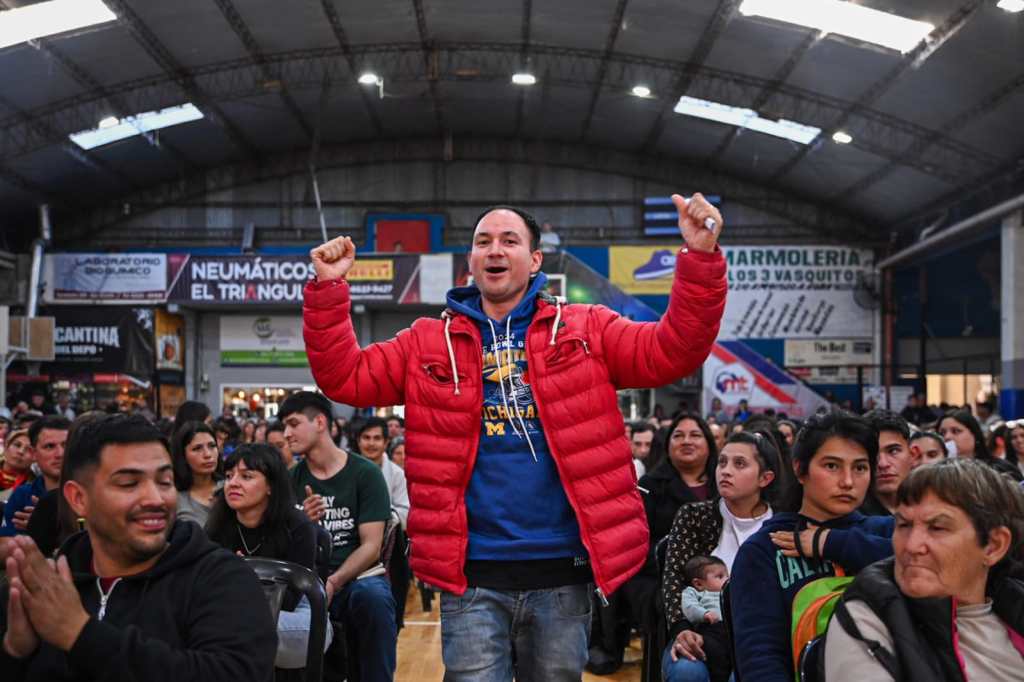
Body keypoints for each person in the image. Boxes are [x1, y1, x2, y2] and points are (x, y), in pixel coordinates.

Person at [303, 194, 726, 680]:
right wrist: (328, 289)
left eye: (509, 240)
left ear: (535, 259)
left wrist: (700, 259)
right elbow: (346, 378)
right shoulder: (425, 342)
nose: (495, 250)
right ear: (471, 261)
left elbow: (674, 350)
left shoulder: (585, 329)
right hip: (471, 573)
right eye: (483, 242)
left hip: (562, 569)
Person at [0, 413, 277, 681]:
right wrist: (16, 651)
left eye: (165, 482)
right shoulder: (47, 587)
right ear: (79, 499)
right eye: (129, 484)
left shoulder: (222, 579)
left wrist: (80, 634)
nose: (155, 499)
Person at [726, 408, 895, 682]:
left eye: (860, 468)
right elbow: (760, 658)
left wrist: (831, 543)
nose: (848, 481)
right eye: (832, 466)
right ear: (800, 469)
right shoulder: (766, 549)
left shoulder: (887, 532)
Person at [824, 458, 1024, 680]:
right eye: (903, 525)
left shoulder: (1014, 605)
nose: (911, 546)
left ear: (994, 546)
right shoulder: (869, 615)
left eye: (937, 528)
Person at [282, 392, 396, 682]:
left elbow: (371, 546)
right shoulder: (290, 480)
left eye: (293, 424)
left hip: (356, 577)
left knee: (373, 599)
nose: (286, 434)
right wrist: (304, 524)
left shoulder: (366, 474)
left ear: (320, 422)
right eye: (284, 426)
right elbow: (282, 546)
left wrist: (334, 581)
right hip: (305, 578)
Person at [661, 430, 779, 682]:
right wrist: (681, 628)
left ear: (765, 478)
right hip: (703, 630)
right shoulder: (695, 515)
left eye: (739, 464)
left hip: (763, 636)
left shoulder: (781, 524)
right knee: (686, 671)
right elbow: (673, 580)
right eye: (722, 462)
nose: (725, 471)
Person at [205, 443, 330, 669]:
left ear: (271, 486)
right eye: (229, 475)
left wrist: (241, 576)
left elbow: (289, 601)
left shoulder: (298, 526)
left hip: (295, 612)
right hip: (233, 613)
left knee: (231, 628)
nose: (233, 483)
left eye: (246, 476)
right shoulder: (218, 524)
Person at [1, 417, 69, 537]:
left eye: (66, 445)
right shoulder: (22, 495)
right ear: (34, 454)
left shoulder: (90, 493)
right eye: (50, 446)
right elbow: (5, 542)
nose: (60, 454)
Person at [679, 556, 731, 682]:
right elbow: (689, 606)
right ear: (699, 584)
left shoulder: (729, 592)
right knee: (716, 655)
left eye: (727, 575)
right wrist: (704, 613)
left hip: (730, 630)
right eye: (720, 576)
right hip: (710, 630)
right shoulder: (694, 592)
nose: (727, 580)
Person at [355, 417, 409, 529]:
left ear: (386, 443)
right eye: (366, 437)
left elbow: (405, 513)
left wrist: (378, 515)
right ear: (358, 441)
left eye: (377, 438)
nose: (371, 443)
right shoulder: (346, 468)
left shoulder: (397, 474)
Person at [860, 410, 914, 516]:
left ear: (912, 454)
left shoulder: (934, 504)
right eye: (872, 454)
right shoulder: (848, 519)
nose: (883, 464)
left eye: (893, 451)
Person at [172, 421, 222, 528]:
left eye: (212, 446)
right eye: (197, 448)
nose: (208, 454)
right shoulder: (175, 499)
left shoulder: (229, 487)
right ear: (183, 455)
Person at [0, 430, 33, 503]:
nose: (21, 451)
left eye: (29, 449)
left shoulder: (36, 486)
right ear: (6, 447)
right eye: (17, 445)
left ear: (35, 457)